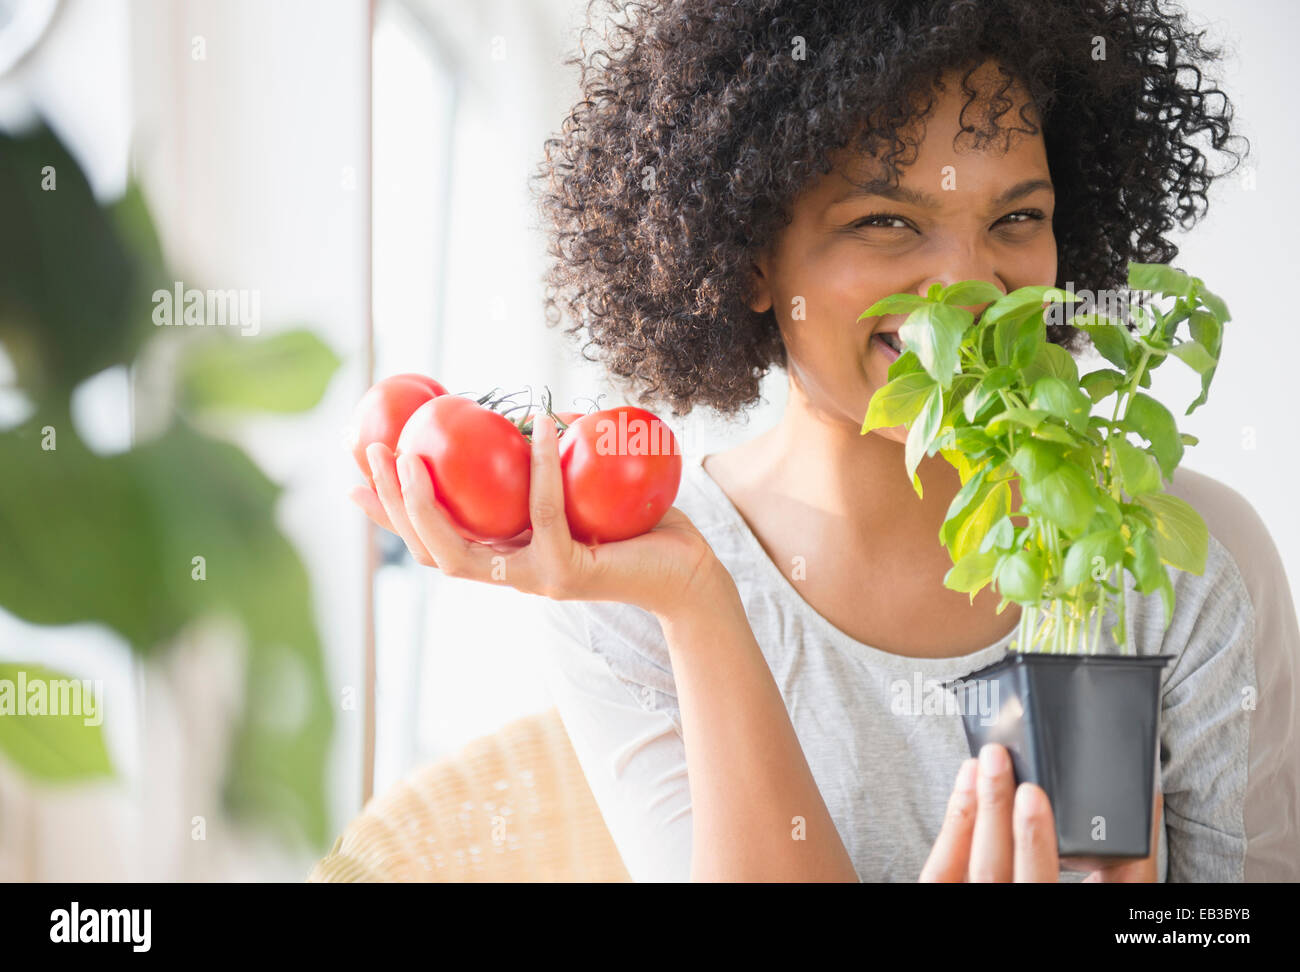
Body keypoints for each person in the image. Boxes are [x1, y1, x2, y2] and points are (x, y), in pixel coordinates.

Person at [352, 0, 1299, 881]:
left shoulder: (1187, 561)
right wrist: (696, 603)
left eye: (1016, 217)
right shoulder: (633, 589)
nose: (970, 282)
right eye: (885, 222)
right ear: (753, 258)